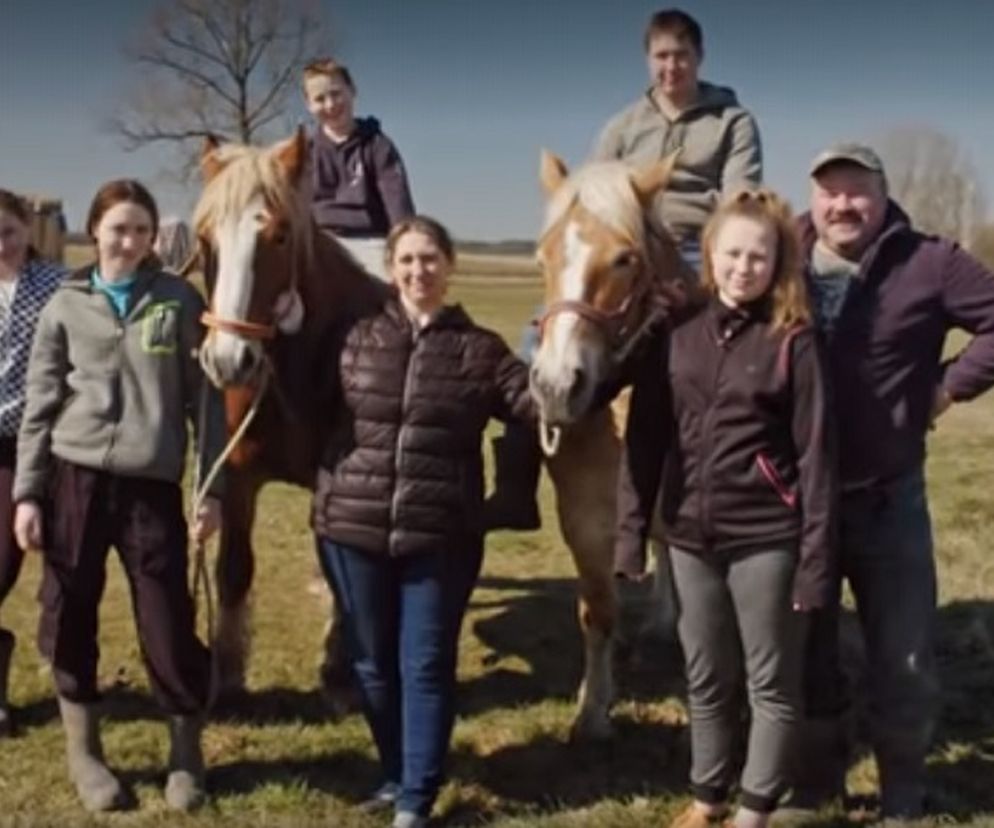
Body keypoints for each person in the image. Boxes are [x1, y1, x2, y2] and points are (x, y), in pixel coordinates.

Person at [485, 7, 764, 531]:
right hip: (624, 247)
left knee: (750, 338)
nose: (671, 66)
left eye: (681, 55)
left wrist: (709, 275)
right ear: (648, 61)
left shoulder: (733, 122)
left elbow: (738, 199)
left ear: (699, 58)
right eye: (661, 56)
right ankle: (518, 484)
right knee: (537, 343)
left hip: (698, 251)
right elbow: (589, 196)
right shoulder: (622, 126)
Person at [783, 143, 994, 822]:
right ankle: (818, 785)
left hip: (887, 496)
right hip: (796, 503)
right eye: (830, 191)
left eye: (857, 191)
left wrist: (948, 388)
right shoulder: (780, 253)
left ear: (883, 195)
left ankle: (903, 793)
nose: (842, 205)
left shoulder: (930, 261)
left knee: (901, 655)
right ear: (812, 197)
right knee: (807, 654)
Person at [615, 189, 836, 828]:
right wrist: (633, 533)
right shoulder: (677, 332)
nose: (744, 267)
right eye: (732, 252)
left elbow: (817, 456)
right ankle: (707, 795)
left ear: (778, 263)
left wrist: (815, 560)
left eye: (758, 256)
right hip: (688, 537)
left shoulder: (793, 340)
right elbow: (647, 437)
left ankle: (754, 808)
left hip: (767, 536)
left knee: (770, 683)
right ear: (710, 253)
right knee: (705, 675)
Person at [312, 216, 534, 828]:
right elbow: (302, 405)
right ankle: (395, 772)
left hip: (441, 533)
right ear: (391, 269)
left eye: (430, 258)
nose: (419, 271)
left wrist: (556, 356)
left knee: (427, 664)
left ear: (450, 264)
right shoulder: (351, 339)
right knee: (371, 666)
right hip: (352, 528)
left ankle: (416, 798)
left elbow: (533, 402)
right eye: (407, 260)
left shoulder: (482, 349)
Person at [12, 179, 226, 813]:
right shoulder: (65, 305)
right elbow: (40, 406)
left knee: (166, 619)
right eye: (118, 228)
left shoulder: (179, 301)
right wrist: (27, 493)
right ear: (94, 231)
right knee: (69, 608)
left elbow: (206, 407)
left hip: (150, 485)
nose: (129, 241)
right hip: (72, 479)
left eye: (141, 229)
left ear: (153, 236)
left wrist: (208, 489)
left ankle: (186, 756)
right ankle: (86, 753)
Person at [0, 189, 65, 736]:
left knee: (5, 559)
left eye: (7, 231)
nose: (1, 244)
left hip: (27, 439)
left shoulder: (56, 285)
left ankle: (59, 652)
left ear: (26, 229)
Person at [303, 57, 416, 280]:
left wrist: (403, 249)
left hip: (370, 243)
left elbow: (399, 210)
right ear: (309, 105)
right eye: (319, 98)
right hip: (318, 245)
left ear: (352, 91)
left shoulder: (378, 146)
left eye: (336, 93)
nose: (330, 104)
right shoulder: (305, 151)